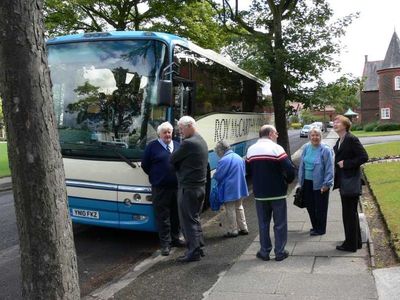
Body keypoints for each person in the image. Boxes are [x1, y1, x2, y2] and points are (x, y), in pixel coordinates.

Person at [246, 125, 295, 262]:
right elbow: (289, 169)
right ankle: (279, 252)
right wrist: (287, 181)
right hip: (277, 192)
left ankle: (264, 251)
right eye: (276, 133)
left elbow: (248, 171)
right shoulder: (276, 148)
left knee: (263, 223)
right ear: (271, 134)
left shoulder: (250, 150)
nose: (277, 135)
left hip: (260, 193)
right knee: (280, 223)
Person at [141, 122, 185, 256]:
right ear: (159, 134)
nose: (167, 135)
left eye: (169, 132)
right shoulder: (152, 147)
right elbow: (145, 165)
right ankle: (165, 244)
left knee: (176, 215)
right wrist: (157, 176)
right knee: (162, 217)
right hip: (160, 188)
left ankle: (176, 238)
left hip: (176, 187)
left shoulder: (178, 146)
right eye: (164, 132)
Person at [171, 116, 208, 262]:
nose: (180, 132)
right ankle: (199, 246)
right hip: (199, 187)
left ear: (189, 126)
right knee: (195, 218)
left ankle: (193, 252)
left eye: (181, 128)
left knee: (188, 221)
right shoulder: (200, 139)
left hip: (189, 188)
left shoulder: (188, 143)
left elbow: (172, 159)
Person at [333, 115, 368, 252]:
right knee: (350, 214)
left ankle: (350, 244)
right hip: (344, 182)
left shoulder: (351, 139)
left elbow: (364, 157)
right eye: (334, 121)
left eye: (338, 122)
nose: (334, 123)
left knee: (349, 215)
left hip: (350, 182)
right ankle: (355, 242)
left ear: (345, 125)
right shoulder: (340, 140)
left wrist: (346, 163)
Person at [298, 127, 334, 236]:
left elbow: (329, 168)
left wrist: (327, 184)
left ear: (321, 136)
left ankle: (321, 229)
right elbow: (302, 165)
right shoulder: (306, 148)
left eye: (317, 135)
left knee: (321, 207)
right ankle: (315, 227)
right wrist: (301, 182)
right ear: (309, 137)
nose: (315, 137)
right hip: (307, 182)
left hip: (320, 183)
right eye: (312, 135)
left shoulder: (325, 150)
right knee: (310, 206)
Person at [213, 140, 249, 238]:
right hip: (240, 187)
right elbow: (244, 172)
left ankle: (233, 230)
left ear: (221, 150)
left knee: (230, 209)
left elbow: (219, 175)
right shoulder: (239, 158)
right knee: (239, 207)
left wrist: (215, 176)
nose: (217, 154)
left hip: (229, 189)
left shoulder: (224, 160)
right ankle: (244, 228)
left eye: (217, 152)